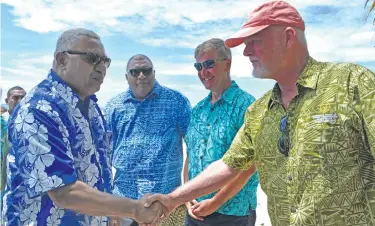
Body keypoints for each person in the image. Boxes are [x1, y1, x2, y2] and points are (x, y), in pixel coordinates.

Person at [144, 1, 375, 226]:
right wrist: (173, 199)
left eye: (254, 41)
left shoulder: (351, 83)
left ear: (288, 37)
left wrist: (213, 202)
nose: (246, 52)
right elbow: (228, 165)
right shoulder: (259, 111)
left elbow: (245, 172)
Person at [2, 28, 162, 226]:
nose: (101, 67)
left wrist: (111, 213)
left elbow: (98, 170)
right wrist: (135, 209)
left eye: (105, 61)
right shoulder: (38, 109)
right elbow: (64, 193)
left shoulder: (92, 107)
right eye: (92, 58)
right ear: (62, 60)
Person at [105, 54, 191, 226]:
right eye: (135, 72)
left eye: (146, 71)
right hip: (123, 203)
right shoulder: (114, 106)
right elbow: (104, 155)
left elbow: (194, 148)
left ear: (154, 73)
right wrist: (109, 207)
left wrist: (186, 193)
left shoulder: (177, 102)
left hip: (166, 206)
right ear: (126, 77)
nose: (141, 76)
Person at [184, 38, 258, 226]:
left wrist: (214, 203)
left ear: (228, 64)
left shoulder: (248, 106)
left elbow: (250, 165)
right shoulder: (198, 110)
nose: (203, 72)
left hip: (233, 213)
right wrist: (187, 194)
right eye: (198, 66)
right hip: (194, 211)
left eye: (209, 64)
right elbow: (190, 156)